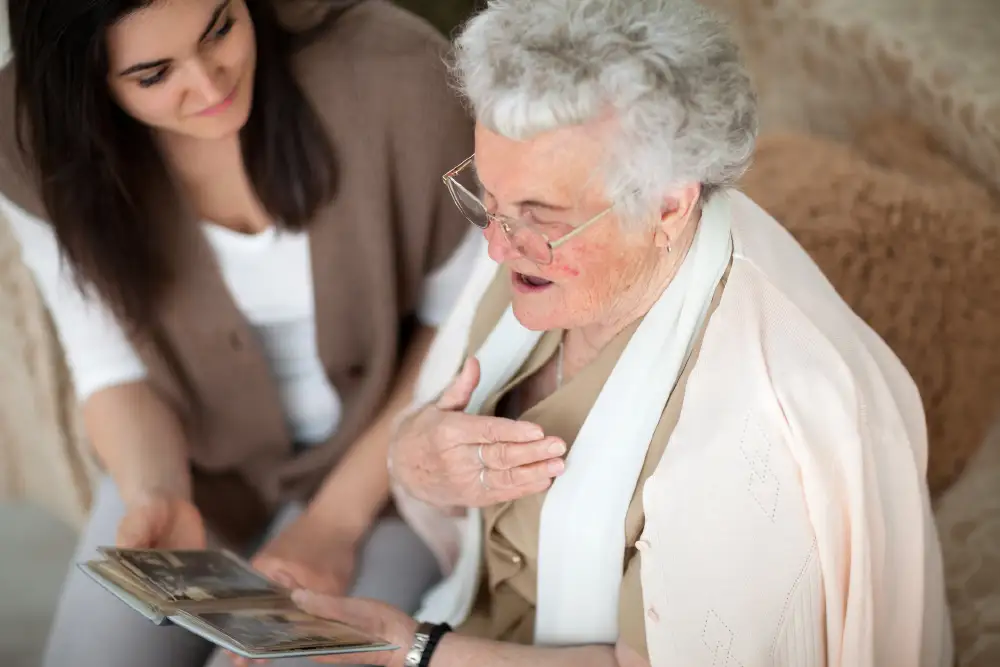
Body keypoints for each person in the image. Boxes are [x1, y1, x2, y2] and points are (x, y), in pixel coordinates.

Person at [284, 1, 955, 666]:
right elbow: (426, 465)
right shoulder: (534, 256)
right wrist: (414, 459)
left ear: (668, 204)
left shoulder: (757, 418)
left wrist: (416, 653)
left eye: (536, 214)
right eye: (487, 197)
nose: (495, 247)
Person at [0, 0, 484, 665]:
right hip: (189, 462)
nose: (209, 84)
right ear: (83, 86)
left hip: (392, 467)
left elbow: (459, 330)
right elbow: (109, 368)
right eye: (153, 74)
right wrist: (156, 492)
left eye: (221, 28)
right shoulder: (29, 141)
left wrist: (335, 521)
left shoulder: (400, 77)